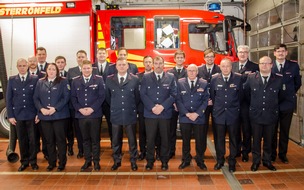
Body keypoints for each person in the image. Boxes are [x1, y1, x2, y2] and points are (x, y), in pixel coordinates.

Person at [243, 56, 283, 172]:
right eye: (262, 63)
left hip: (271, 115)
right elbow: (246, 94)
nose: (264, 65)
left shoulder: (278, 79)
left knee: (269, 140)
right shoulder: (251, 78)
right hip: (256, 114)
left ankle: (267, 161)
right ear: (258, 65)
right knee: (255, 140)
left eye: (267, 63)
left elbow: (281, 96)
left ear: (271, 65)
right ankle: (256, 162)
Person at [140, 56, 177, 171]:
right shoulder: (146, 77)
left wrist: (162, 106)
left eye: (160, 63)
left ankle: (164, 161)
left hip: (165, 114)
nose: (158, 65)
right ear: (153, 65)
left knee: (165, 138)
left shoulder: (170, 77)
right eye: (156, 63)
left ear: (163, 64)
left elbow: (173, 94)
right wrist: (152, 107)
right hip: (150, 114)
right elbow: (143, 94)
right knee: (150, 139)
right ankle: (150, 161)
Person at [33, 63, 70, 172]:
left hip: (59, 116)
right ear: (46, 70)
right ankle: (51, 162)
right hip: (45, 117)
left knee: (61, 140)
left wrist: (55, 108)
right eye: (49, 69)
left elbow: (66, 97)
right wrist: (41, 109)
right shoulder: (40, 82)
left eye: (54, 69)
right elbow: (35, 98)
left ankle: (62, 163)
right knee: (49, 141)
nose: (51, 71)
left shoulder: (63, 81)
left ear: (57, 71)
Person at [106, 57, 140, 171]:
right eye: (119, 64)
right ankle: (117, 161)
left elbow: (137, 97)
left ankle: (133, 161)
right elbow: (108, 97)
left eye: (124, 64)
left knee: (132, 140)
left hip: (130, 114)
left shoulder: (135, 79)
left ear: (127, 66)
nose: (121, 66)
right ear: (116, 66)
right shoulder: (109, 79)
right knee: (116, 141)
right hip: (116, 114)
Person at [71, 60, 105, 172]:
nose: (86, 70)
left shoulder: (99, 79)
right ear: (81, 69)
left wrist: (92, 108)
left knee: (95, 139)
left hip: (94, 114)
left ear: (92, 69)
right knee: (85, 139)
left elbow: (101, 97)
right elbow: (73, 98)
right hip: (81, 115)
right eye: (84, 68)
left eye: (88, 68)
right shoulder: (75, 81)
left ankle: (96, 161)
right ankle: (87, 161)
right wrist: (80, 109)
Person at [210, 58, 243, 173]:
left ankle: (232, 161)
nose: (225, 68)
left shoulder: (238, 78)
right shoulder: (214, 79)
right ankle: (220, 160)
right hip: (219, 114)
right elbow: (212, 96)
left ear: (231, 67)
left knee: (234, 139)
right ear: (220, 67)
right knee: (219, 139)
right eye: (223, 66)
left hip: (233, 115)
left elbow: (241, 96)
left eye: (228, 66)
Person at [6, 58, 39, 171]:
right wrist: (10, 115)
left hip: (31, 114)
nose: (22, 68)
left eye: (24, 65)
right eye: (20, 66)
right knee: (22, 139)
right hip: (18, 116)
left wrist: (38, 113)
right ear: (17, 67)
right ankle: (24, 162)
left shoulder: (34, 79)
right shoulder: (12, 79)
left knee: (33, 139)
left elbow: (38, 97)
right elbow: (9, 99)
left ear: (28, 66)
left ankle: (33, 162)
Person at [271, 44, 301, 164]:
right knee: (272, 131)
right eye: (278, 51)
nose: (280, 53)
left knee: (284, 130)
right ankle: (272, 154)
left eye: (283, 51)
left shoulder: (293, 66)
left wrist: (289, 94)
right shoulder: (269, 65)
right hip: (272, 103)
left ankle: (283, 154)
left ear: (286, 53)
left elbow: (297, 83)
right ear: (274, 53)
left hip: (287, 104)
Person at [176, 64, 209, 170]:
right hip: (185, 117)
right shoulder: (180, 83)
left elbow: (205, 100)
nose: (191, 72)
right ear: (187, 71)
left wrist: (197, 113)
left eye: (194, 71)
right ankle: (186, 160)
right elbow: (178, 100)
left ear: (197, 72)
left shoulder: (203, 83)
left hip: (198, 117)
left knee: (200, 140)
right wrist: (186, 113)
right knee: (185, 141)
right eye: (190, 70)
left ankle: (200, 160)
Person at [67, 50, 98, 159]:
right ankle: (82, 152)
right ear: (76, 59)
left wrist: (92, 108)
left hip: (93, 111)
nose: (80, 59)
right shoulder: (71, 72)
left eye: (82, 57)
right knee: (80, 134)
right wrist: (79, 108)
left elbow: (100, 94)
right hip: (78, 110)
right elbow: (71, 93)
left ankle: (94, 157)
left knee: (93, 136)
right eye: (79, 57)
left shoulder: (96, 73)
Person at [232, 45, 259, 162]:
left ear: (248, 53)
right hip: (233, 102)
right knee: (235, 128)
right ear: (237, 54)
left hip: (247, 103)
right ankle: (236, 150)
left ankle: (246, 151)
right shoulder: (232, 66)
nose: (242, 54)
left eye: (244, 52)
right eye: (240, 52)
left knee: (247, 129)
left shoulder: (254, 66)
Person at [197, 49, 221, 150]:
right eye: (207, 57)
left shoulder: (220, 70)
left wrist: (213, 100)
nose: (209, 59)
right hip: (203, 103)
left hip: (217, 103)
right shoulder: (199, 70)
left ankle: (219, 151)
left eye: (211, 56)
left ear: (214, 58)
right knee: (202, 128)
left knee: (217, 129)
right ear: (204, 58)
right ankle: (201, 152)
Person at [167, 50, 187, 159]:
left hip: (185, 105)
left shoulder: (189, 72)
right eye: (177, 57)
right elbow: (169, 89)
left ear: (184, 59)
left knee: (185, 130)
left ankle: (185, 153)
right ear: (174, 59)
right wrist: (173, 102)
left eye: (181, 57)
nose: (179, 59)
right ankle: (171, 150)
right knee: (171, 129)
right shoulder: (169, 73)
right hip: (173, 105)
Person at [92, 48, 115, 143]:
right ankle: (96, 145)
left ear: (106, 55)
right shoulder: (91, 67)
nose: (101, 55)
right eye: (99, 53)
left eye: (103, 53)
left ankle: (113, 145)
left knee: (111, 124)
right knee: (96, 125)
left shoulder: (113, 66)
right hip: (95, 101)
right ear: (97, 55)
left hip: (109, 100)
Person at [55, 55, 74, 156]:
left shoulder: (69, 74)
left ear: (65, 64)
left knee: (69, 129)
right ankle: (60, 147)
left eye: (62, 62)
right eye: (58, 62)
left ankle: (70, 146)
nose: (60, 64)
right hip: (57, 108)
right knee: (59, 130)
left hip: (68, 106)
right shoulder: (52, 76)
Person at [137, 56, 154, 161]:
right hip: (142, 108)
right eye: (146, 62)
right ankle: (142, 151)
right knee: (142, 131)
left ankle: (154, 151)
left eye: (149, 62)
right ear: (143, 63)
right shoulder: (138, 77)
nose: (148, 64)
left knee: (154, 132)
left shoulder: (156, 76)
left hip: (153, 109)